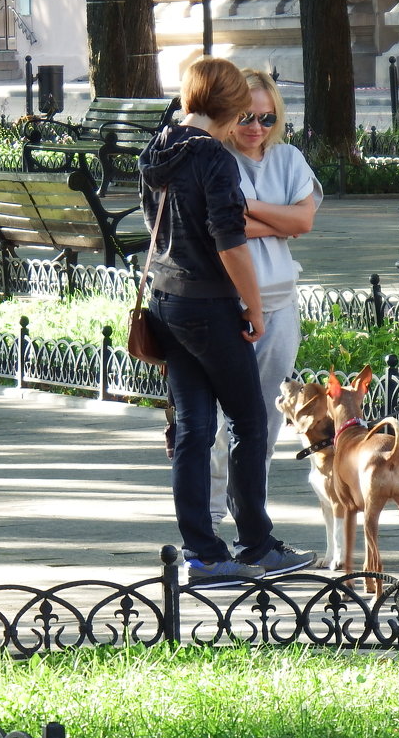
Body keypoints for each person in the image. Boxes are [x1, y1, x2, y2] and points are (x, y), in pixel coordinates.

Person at [138, 57, 316, 586]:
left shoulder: (160, 146)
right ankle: (257, 543)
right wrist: (254, 307)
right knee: (248, 421)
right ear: (233, 106)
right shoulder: (213, 157)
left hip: (165, 298)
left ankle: (203, 554)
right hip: (211, 306)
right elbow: (230, 239)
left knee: (194, 428)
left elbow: (157, 220)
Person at [208, 69, 323, 533]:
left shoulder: (289, 159)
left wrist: (247, 210)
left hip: (279, 303)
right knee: (219, 420)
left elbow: (304, 224)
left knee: (266, 422)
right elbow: (218, 227)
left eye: (266, 116)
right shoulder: (215, 160)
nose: (255, 126)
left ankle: (250, 515)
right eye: (245, 116)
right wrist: (283, 218)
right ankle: (211, 515)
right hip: (226, 304)